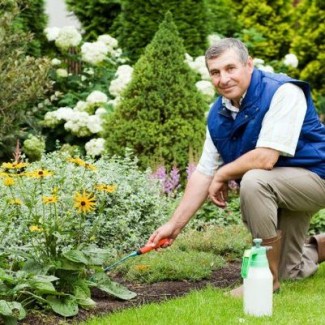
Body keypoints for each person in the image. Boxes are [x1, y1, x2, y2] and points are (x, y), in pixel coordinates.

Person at [147, 38, 325, 297]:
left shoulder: (283, 91)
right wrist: (173, 226)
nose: (223, 78)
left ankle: (264, 280)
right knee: (292, 270)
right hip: (284, 187)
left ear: (249, 65)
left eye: (230, 68)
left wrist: (224, 173)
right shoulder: (218, 114)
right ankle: (316, 247)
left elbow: (265, 158)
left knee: (254, 181)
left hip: (317, 178)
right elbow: (204, 173)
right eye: (215, 72)